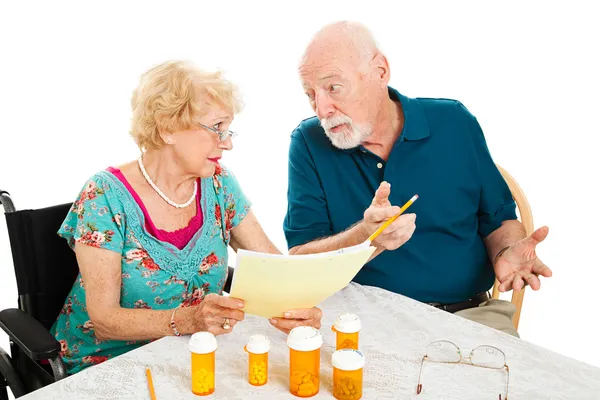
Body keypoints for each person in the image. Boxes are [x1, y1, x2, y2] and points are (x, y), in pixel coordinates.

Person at [51, 60, 322, 374]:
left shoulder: (219, 184)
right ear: (168, 128)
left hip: (189, 355)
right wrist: (189, 319)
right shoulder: (104, 196)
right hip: (106, 362)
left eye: (228, 129)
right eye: (216, 128)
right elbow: (104, 319)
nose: (228, 142)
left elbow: (274, 266)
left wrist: (302, 305)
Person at [283, 21, 552, 337]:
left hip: (467, 315)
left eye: (333, 87)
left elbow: (499, 221)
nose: (323, 109)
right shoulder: (309, 142)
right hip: (360, 321)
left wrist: (505, 252)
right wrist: (365, 237)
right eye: (310, 94)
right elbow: (300, 259)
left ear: (380, 72)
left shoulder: (454, 123)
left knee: (506, 384)